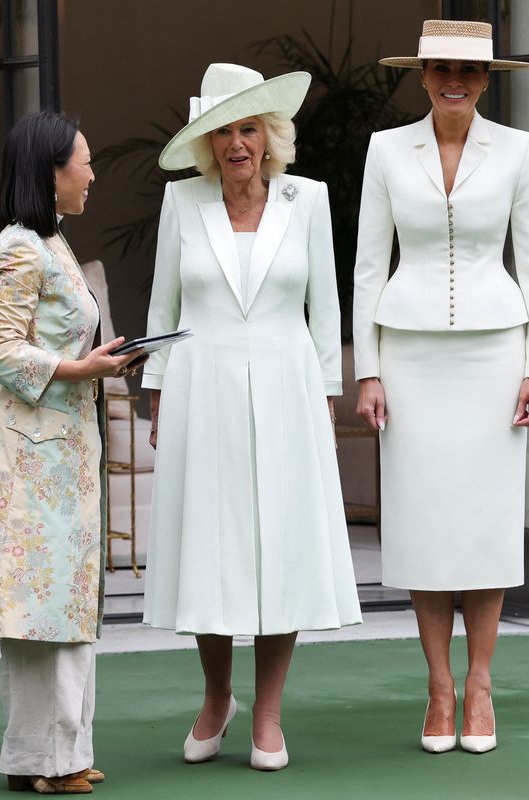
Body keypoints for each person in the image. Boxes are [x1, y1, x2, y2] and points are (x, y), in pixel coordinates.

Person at [141, 63, 361, 772]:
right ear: (208, 144)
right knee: (211, 546)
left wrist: (327, 395)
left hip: (288, 389)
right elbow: (161, 309)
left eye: (249, 128)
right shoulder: (183, 202)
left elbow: (324, 311)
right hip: (200, 391)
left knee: (280, 547)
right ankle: (216, 698)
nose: (238, 144)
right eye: (224, 132)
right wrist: (156, 389)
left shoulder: (310, 200)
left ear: (271, 135)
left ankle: (268, 712)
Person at [352, 20, 529, 755]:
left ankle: (480, 683)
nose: (453, 79)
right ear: (422, 74)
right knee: (425, 523)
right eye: (440, 67)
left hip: (496, 356)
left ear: (488, 78)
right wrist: (367, 370)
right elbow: (368, 264)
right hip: (408, 357)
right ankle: (438, 686)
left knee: (485, 522)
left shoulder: (519, 150)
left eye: (467, 69)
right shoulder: (384, 150)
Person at [0, 111, 142, 794]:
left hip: (61, 449)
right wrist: (83, 371)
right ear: (51, 172)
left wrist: (101, 360)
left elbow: (52, 342)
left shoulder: (52, 244)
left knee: (60, 602)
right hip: (30, 453)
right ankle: (49, 762)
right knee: (40, 607)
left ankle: (54, 757)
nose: (90, 173)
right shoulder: (19, 247)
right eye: (82, 161)